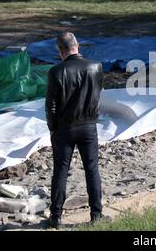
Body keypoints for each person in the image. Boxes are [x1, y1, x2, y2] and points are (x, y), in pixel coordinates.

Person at [45, 32, 104, 229]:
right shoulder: (96, 67)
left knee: (60, 173)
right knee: (92, 170)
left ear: (60, 51)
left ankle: (56, 216)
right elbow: (97, 94)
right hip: (88, 126)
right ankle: (96, 215)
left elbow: (51, 106)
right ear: (77, 45)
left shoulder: (56, 71)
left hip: (64, 128)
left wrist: (53, 128)